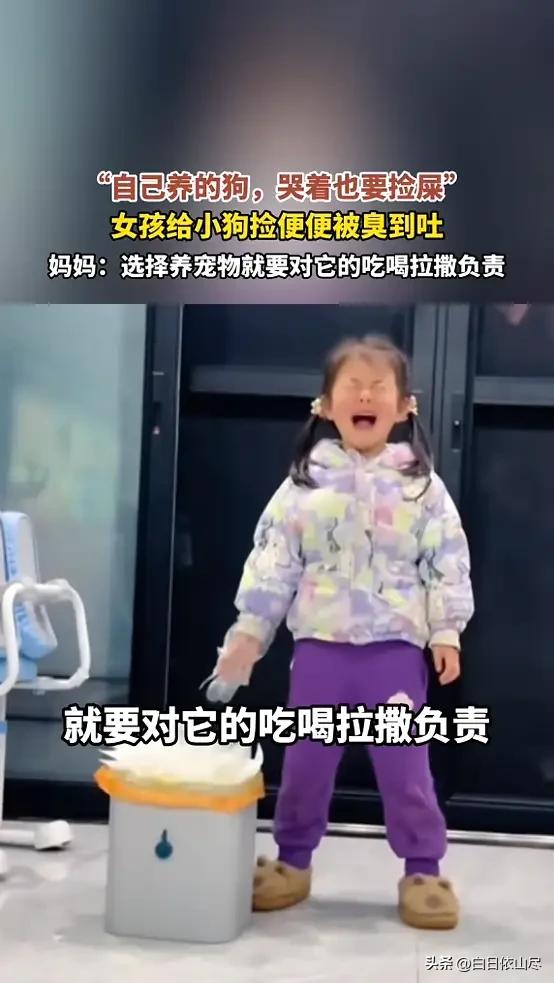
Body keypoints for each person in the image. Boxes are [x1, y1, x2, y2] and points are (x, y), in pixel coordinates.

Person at [214, 335, 474, 930]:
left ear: (404, 406)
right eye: (352, 386)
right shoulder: (304, 485)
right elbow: (273, 561)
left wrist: (446, 630)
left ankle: (424, 868)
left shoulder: (422, 488)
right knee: (306, 762)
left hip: (394, 653)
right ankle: (292, 860)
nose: (364, 396)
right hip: (320, 651)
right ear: (326, 406)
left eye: (378, 387)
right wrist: (249, 633)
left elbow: (446, 560)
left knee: (406, 767)